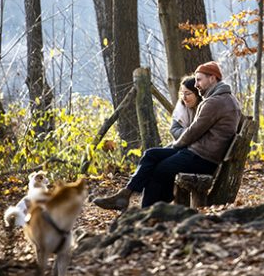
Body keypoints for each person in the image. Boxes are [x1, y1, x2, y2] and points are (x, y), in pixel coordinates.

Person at [93, 61, 241, 210]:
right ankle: (125, 195)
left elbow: (193, 132)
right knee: (151, 154)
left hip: (202, 159)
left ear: (213, 78)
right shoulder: (224, 99)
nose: (196, 84)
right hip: (199, 154)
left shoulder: (215, 102)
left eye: (199, 79)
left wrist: (174, 146)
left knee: (159, 169)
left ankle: (147, 212)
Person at [169, 75, 202, 141]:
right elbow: (174, 130)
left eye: (187, 94)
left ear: (197, 94)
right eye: (182, 93)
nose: (184, 98)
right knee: (151, 151)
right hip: (184, 142)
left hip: (199, 147)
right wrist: (190, 133)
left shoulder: (206, 106)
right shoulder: (181, 106)